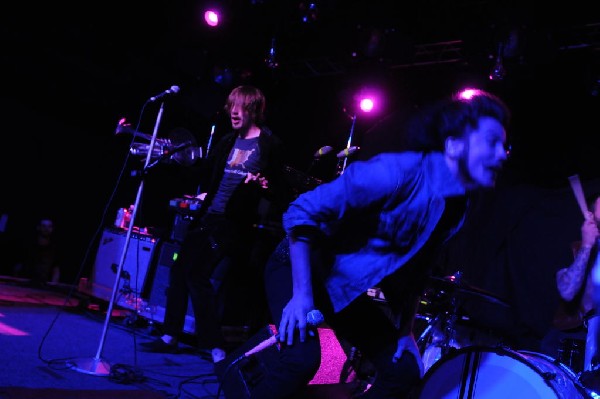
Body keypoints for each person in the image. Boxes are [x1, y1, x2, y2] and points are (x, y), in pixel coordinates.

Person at [250, 88, 511, 398]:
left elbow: (417, 273)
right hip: (298, 266)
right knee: (302, 359)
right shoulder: (394, 173)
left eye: (505, 146)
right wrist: (302, 296)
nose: (503, 154)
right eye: (492, 143)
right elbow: (300, 212)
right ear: (454, 144)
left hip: (341, 290)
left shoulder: (456, 208)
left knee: (403, 370)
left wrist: (405, 334)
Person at [141, 85, 290, 364]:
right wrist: (172, 159)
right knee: (179, 269)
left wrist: (265, 187)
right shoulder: (226, 141)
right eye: (231, 105)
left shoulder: (270, 145)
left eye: (240, 107)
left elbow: (280, 189)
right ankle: (170, 335)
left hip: (234, 223)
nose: (233, 111)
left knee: (197, 274)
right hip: (209, 215)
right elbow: (204, 170)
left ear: (254, 110)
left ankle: (215, 344)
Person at [542, 192, 600, 375]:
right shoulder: (572, 248)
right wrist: (587, 246)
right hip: (572, 342)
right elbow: (567, 292)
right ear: (590, 216)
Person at [13, 216, 62, 287]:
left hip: (44, 286)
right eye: (44, 226)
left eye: (49, 226)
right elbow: (18, 266)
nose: (46, 229)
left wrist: (53, 285)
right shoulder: (28, 245)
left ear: (52, 229)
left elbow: (56, 269)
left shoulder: (55, 249)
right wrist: (15, 282)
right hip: (25, 284)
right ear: (38, 227)